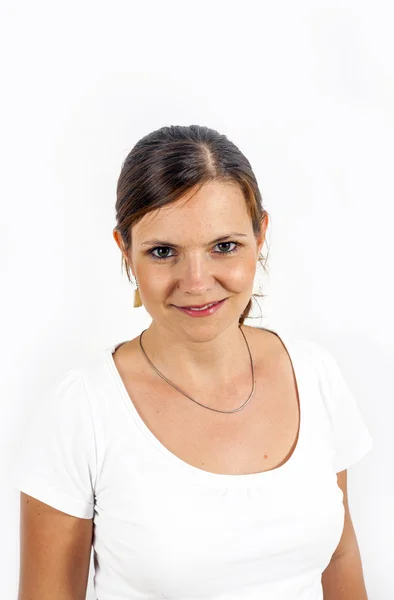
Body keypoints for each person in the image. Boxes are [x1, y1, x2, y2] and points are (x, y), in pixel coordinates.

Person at [12, 125, 373, 599]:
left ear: (261, 234)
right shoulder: (83, 409)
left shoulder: (314, 375)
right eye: (163, 252)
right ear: (125, 251)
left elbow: (340, 559)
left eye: (225, 246)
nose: (197, 282)